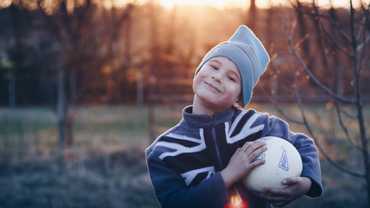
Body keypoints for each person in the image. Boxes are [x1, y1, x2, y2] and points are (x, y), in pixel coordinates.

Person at [145, 25, 323, 208]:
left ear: (239, 96)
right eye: (214, 67)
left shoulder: (257, 126)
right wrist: (227, 175)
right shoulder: (164, 151)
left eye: (232, 78)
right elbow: (176, 203)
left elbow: (304, 144)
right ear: (198, 71)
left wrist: (307, 183)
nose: (218, 77)